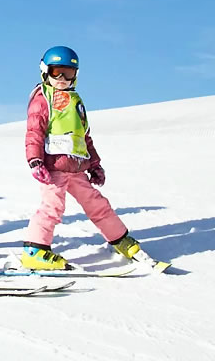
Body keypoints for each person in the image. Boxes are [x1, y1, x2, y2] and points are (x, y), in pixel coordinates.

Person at [22, 46, 144, 270]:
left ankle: (120, 239)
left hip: (77, 168)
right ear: (45, 71)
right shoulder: (42, 100)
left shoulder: (75, 102)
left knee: (98, 204)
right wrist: (35, 160)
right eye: (56, 72)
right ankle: (35, 250)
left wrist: (95, 164)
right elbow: (33, 133)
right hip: (54, 167)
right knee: (52, 207)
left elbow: (84, 137)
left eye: (67, 73)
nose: (61, 78)